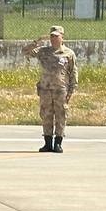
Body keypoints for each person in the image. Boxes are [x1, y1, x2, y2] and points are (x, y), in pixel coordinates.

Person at [23, 25, 77, 153]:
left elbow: (73, 72)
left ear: (62, 37)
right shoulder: (43, 51)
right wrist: (36, 42)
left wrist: (72, 89)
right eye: (51, 36)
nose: (53, 39)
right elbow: (25, 52)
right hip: (45, 90)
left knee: (61, 116)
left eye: (56, 36)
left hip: (61, 90)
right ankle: (47, 143)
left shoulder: (68, 53)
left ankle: (58, 143)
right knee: (46, 115)